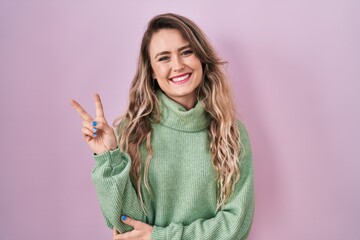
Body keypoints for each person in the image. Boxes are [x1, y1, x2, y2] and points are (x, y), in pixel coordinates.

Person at [70, 13, 254, 240]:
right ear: (152, 73)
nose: (177, 65)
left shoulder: (231, 133)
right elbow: (126, 225)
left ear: (201, 59)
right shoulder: (132, 131)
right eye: (164, 58)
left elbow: (236, 225)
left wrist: (161, 237)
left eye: (186, 52)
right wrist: (107, 155)